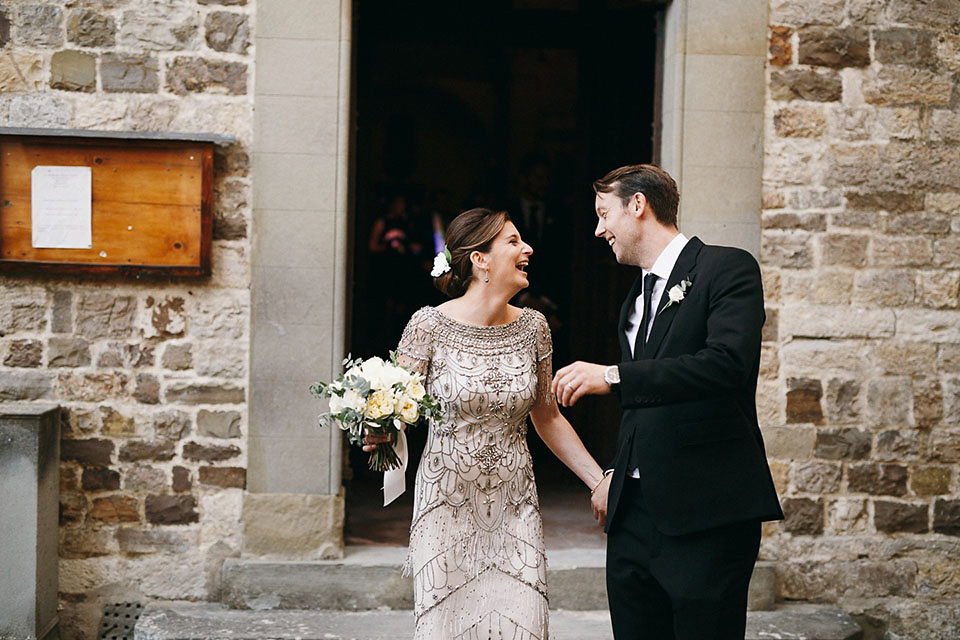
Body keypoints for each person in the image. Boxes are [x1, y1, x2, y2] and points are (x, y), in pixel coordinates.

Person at [551, 164, 784, 640]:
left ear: (638, 206)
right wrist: (618, 469)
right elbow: (646, 405)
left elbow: (725, 365)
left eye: (603, 214)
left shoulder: (727, 267)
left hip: (706, 510)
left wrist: (611, 376)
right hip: (633, 516)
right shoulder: (632, 304)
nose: (598, 230)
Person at [366, 207, 606, 640]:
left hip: (516, 506)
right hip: (446, 506)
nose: (527, 248)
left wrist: (597, 481)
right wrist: (377, 428)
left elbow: (547, 415)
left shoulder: (535, 328)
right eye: (513, 241)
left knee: (523, 626)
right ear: (480, 260)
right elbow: (393, 404)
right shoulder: (428, 325)